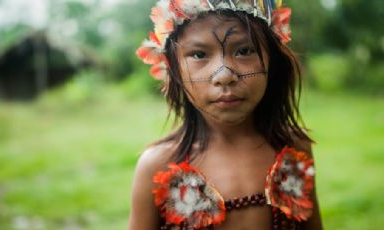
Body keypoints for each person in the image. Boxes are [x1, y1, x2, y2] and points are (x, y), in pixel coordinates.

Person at [129, 0, 323, 229]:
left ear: (273, 61)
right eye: (199, 54)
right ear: (173, 69)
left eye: (244, 50)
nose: (224, 75)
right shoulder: (156, 165)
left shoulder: (294, 148)